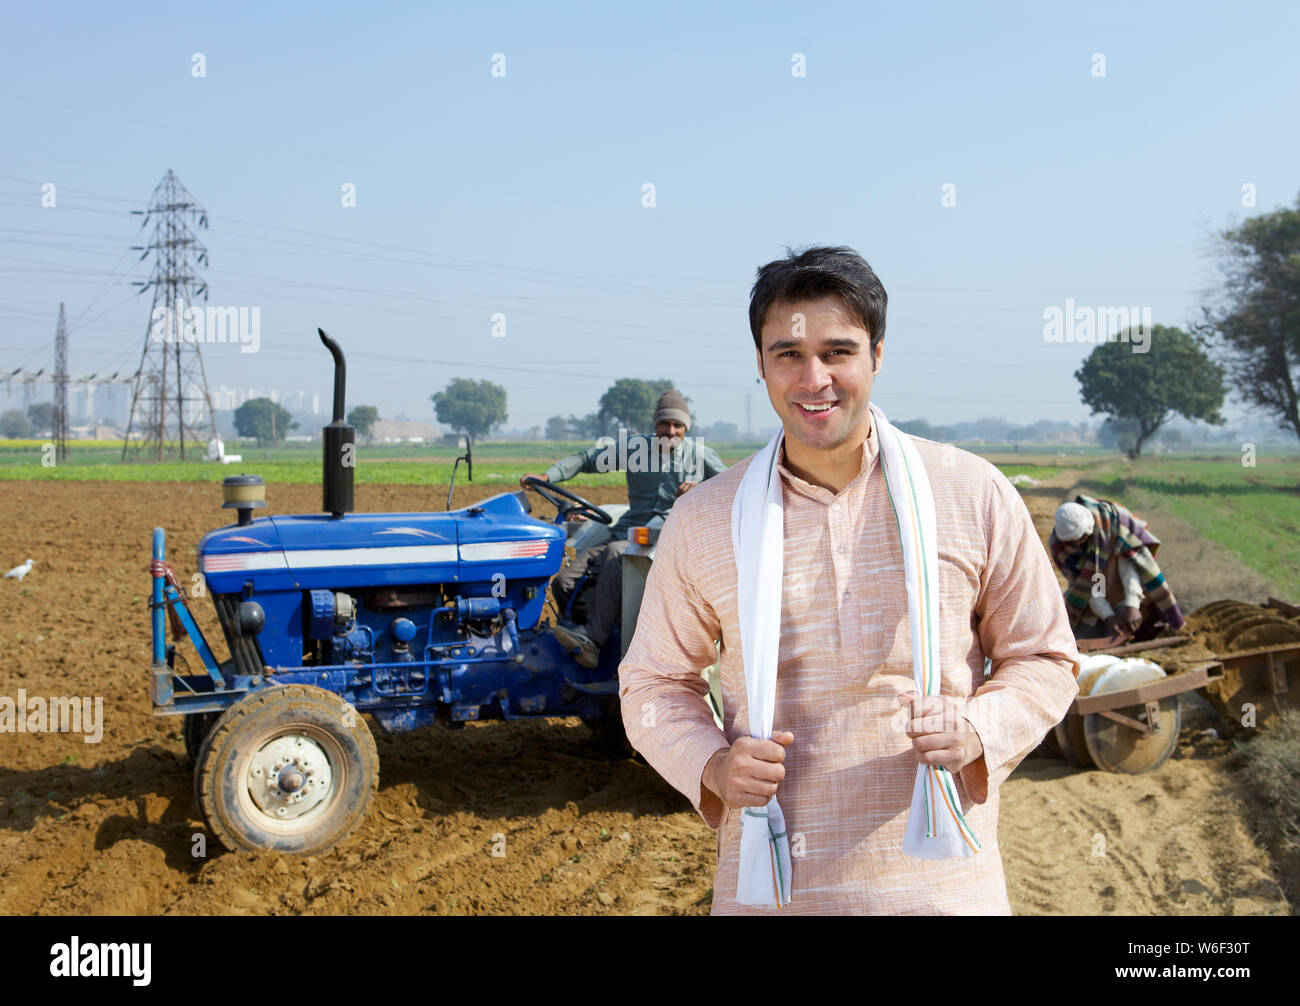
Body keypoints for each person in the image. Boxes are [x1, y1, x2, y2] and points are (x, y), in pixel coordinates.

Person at [618, 245, 1080, 914]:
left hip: (944, 886)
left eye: (838, 352)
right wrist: (714, 766)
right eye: (789, 355)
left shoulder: (971, 492)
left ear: (877, 356)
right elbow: (654, 683)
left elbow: (1045, 655)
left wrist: (978, 729)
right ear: (760, 365)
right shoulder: (705, 518)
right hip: (773, 890)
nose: (814, 379)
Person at [521, 390, 727, 668]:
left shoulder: (699, 455)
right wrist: (547, 476)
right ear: (655, 425)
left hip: (666, 538)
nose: (671, 431)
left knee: (618, 554)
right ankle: (581, 638)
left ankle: (593, 640)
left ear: (685, 428)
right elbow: (586, 459)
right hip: (629, 530)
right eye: (664, 424)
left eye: (678, 425)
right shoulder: (635, 451)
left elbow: (730, 486)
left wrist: (700, 488)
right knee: (564, 582)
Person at [1049, 496, 1186, 642]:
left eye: (1082, 538)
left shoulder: (1113, 523)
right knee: (1081, 634)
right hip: (1095, 589)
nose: (1077, 544)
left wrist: (1132, 604)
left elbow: (1131, 563)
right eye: (1072, 542)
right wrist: (1109, 616)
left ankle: (1142, 617)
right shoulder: (1060, 549)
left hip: (1128, 582)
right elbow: (1086, 584)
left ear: (1090, 529)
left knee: (1144, 614)